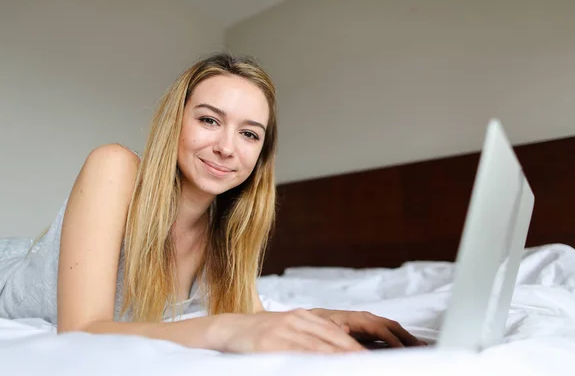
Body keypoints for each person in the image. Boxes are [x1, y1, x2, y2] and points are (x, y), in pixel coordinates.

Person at [0, 52, 423, 353]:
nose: (226, 147)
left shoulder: (224, 229)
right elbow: (81, 332)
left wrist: (327, 317)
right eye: (209, 120)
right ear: (175, 122)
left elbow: (251, 312)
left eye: (249, 134)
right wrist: (223, 330)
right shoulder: (116, 168)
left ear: (260, 156)